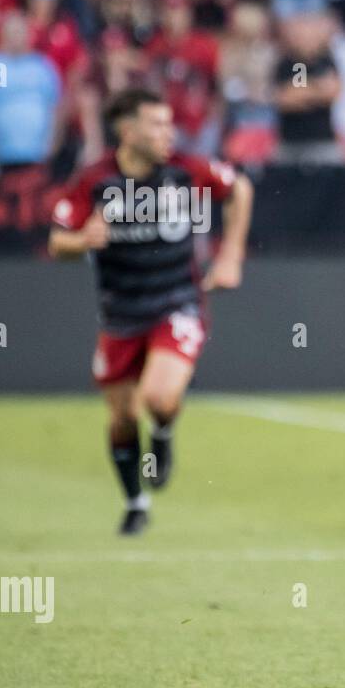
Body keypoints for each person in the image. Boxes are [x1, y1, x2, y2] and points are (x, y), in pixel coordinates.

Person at [48, 89, 254, 535]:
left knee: (158, 398)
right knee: (122, 416)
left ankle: (162, 434)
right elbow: (57, 240)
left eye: (169, 123)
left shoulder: (186, 170)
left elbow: (239, 187)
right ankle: (135, 502)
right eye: (156, 124)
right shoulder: (94, 181)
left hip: (176, 301)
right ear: (126, 130)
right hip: (120, 312)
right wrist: (81, 241)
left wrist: (231, 255)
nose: (168, 133)